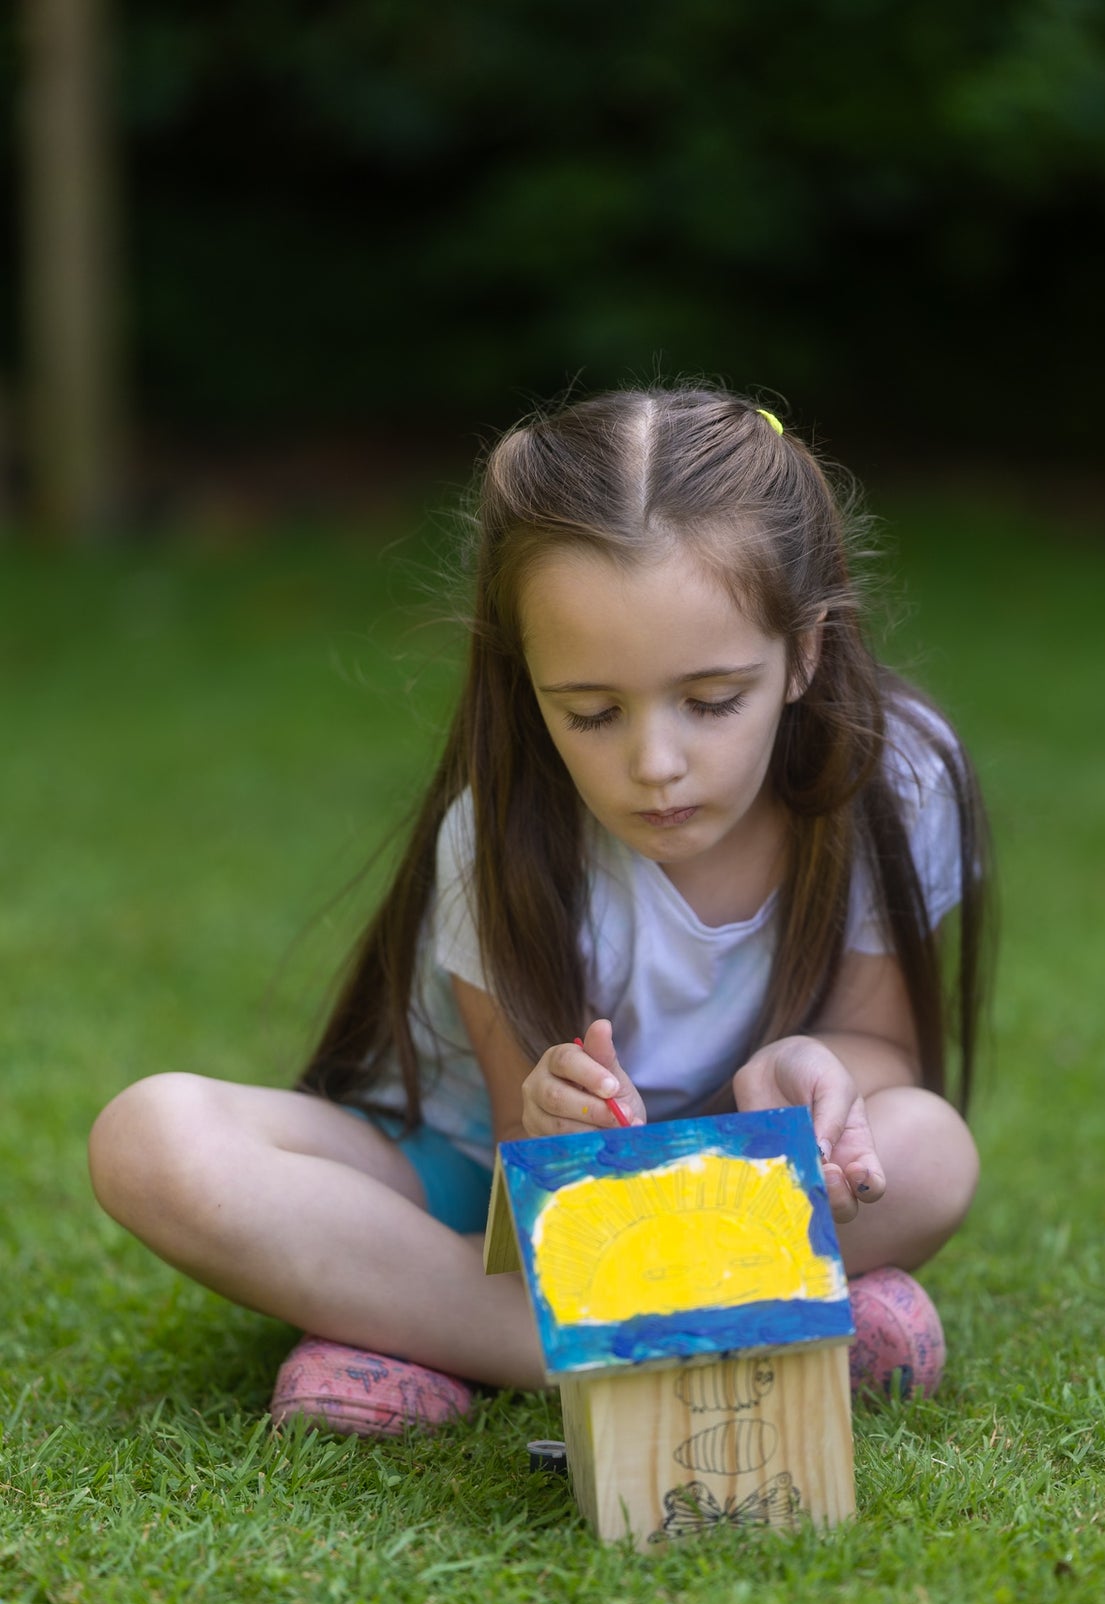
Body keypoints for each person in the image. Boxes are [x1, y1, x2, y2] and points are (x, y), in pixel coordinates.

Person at [88, 386, 992, 1435]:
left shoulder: (901, 779)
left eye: (710, 701)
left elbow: (882, 1049)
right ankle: (619, 1341)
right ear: (528, 683)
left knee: (930, 1147)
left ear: (804, 650)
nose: (654, 764)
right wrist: (548, 1124)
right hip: (475, 1190)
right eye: (592, 712)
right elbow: (526, 1195)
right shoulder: (502, 831)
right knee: (151, 1136)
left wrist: (812, 1075)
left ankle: (420, 1335)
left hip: (717, 1190)